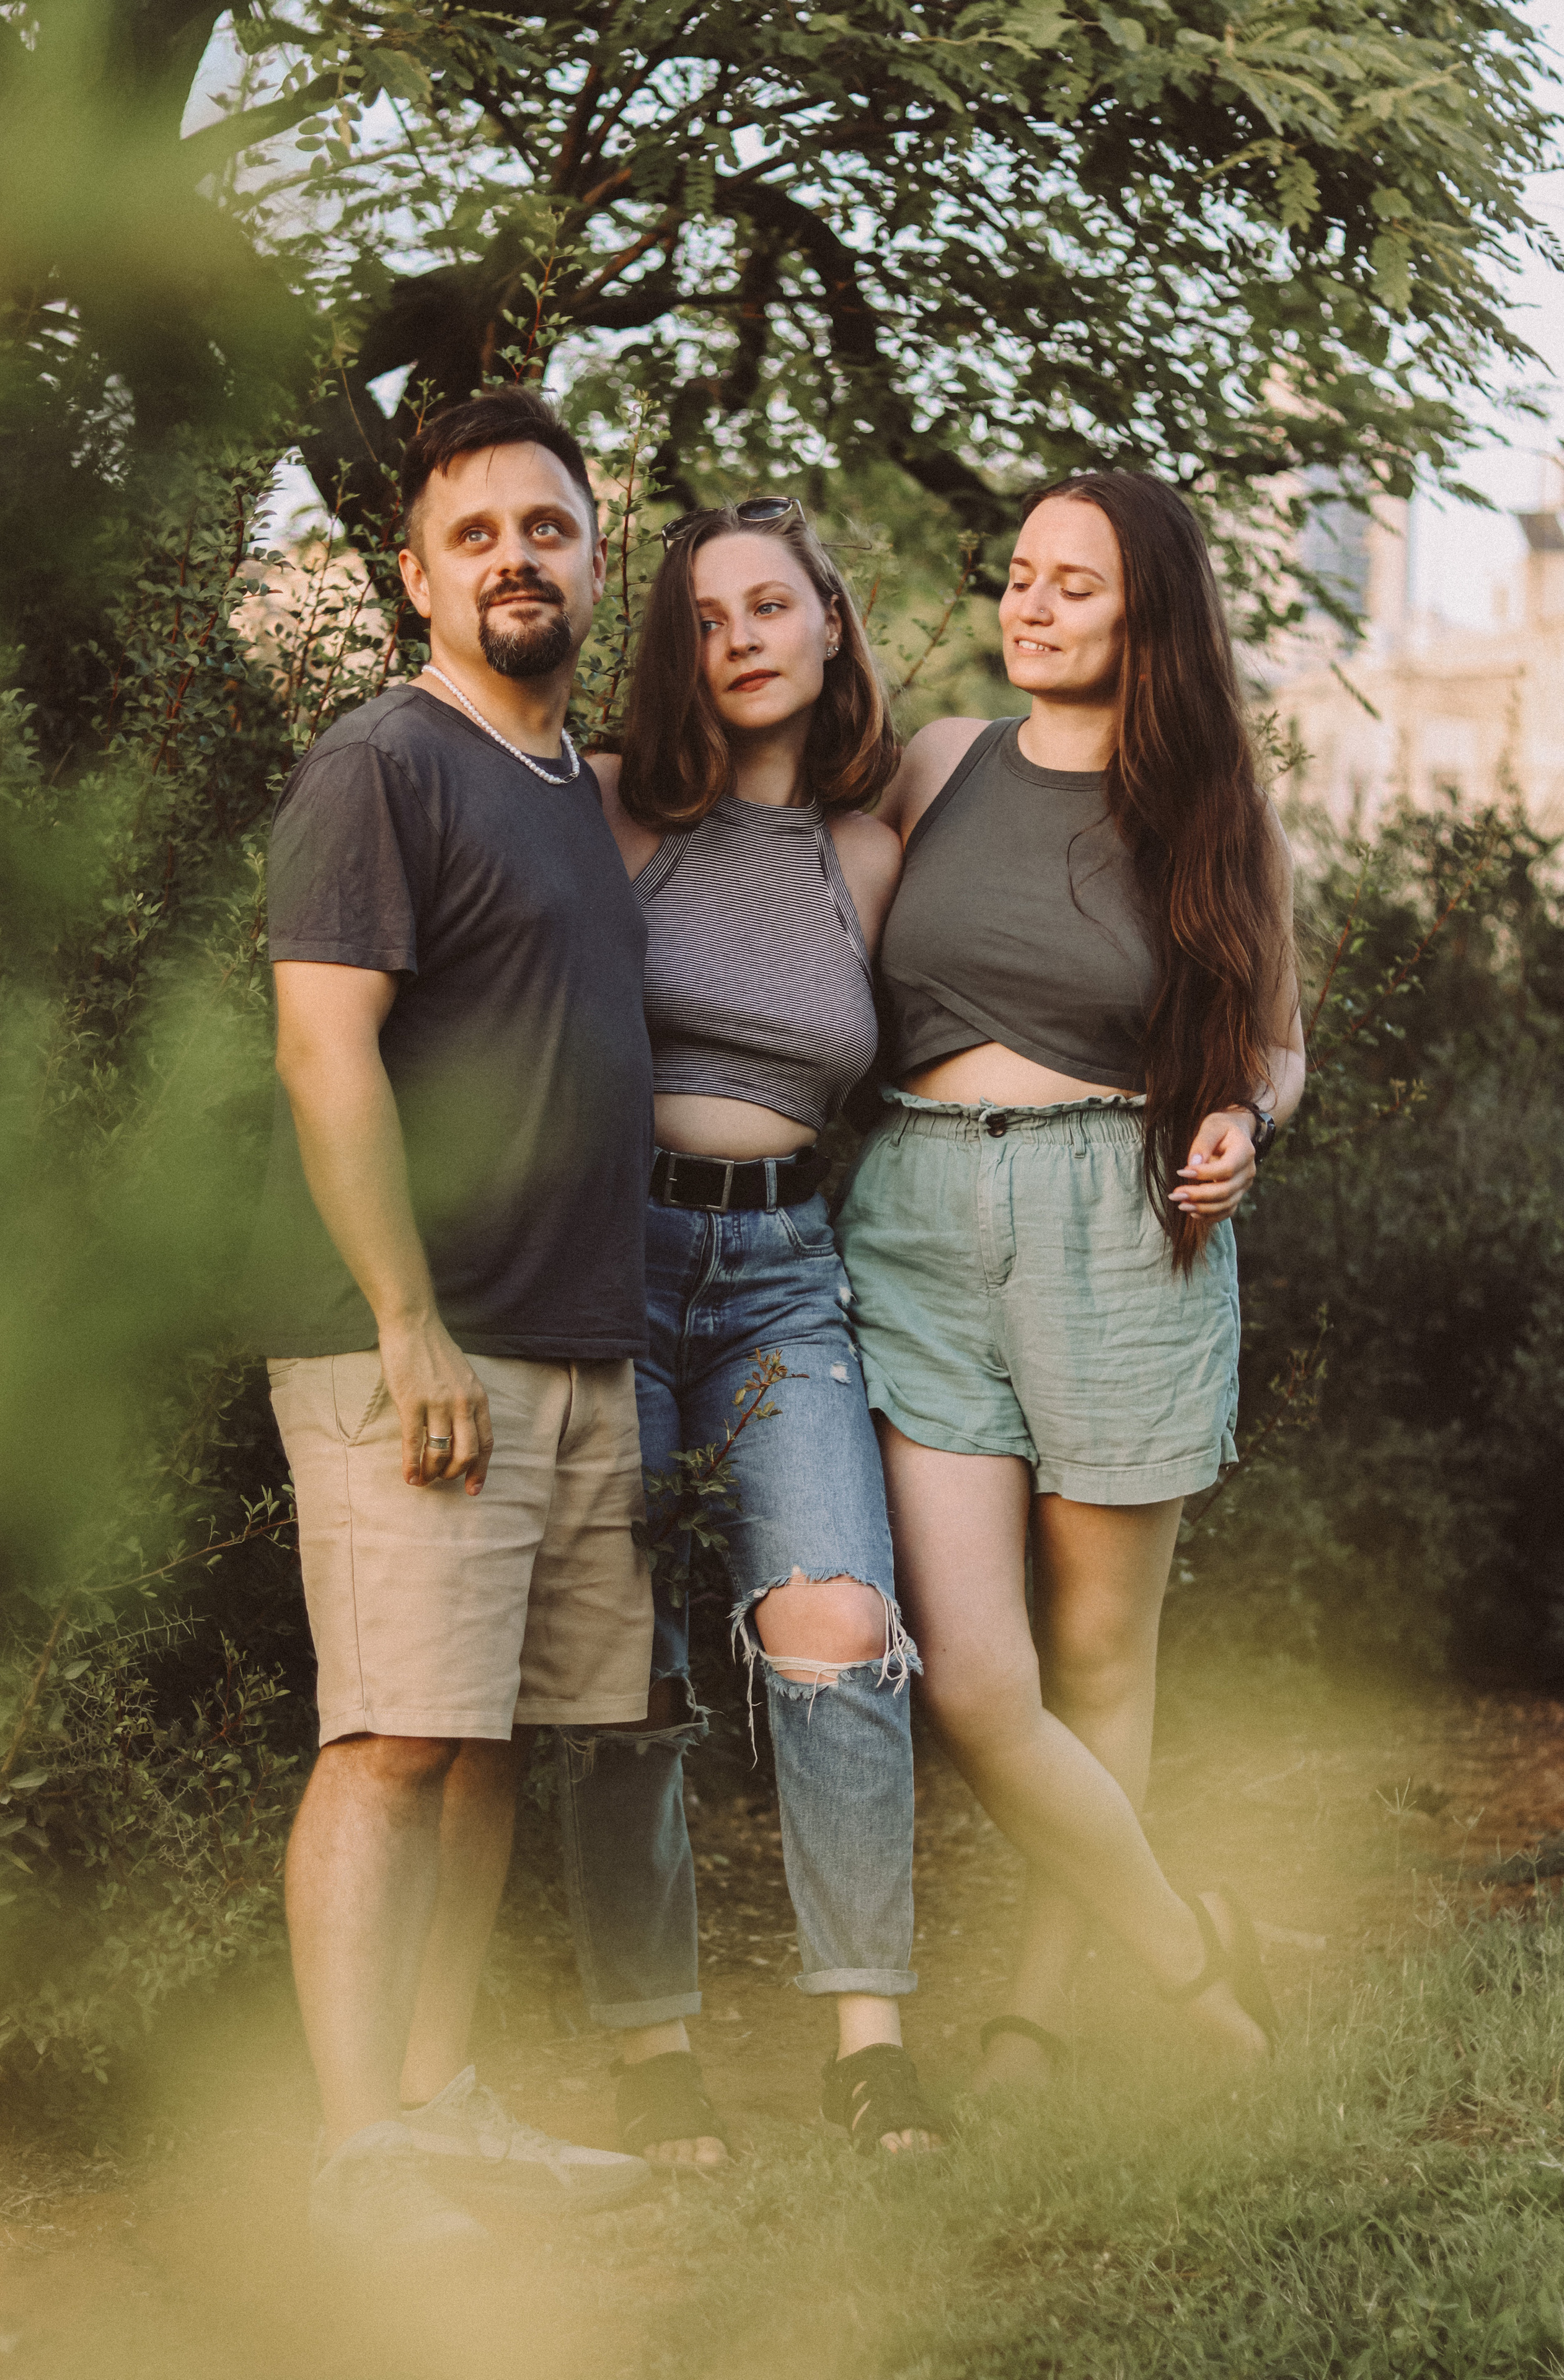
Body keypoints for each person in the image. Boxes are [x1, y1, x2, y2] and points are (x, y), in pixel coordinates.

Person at [836, 471, 1306, 2087]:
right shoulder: (941, 766)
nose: (1027, 606)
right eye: (1020, 578)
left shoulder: (1212, 809)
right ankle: (1186, 1958)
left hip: (1122, 1221)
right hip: (918, 1220)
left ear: (1146, 614)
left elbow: (1276, 1046)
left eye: (1072, 586)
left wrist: (1244, 1115)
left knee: (1100, 1661)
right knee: (974, 1675)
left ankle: (1035, 2017)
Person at [253, 389, 657, 2245]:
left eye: (548, 528)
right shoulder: (384, 764)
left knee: (490, 1737)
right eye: (478, 534)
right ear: (417, 577)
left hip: (568, 1338)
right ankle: (357, 2160)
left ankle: (444, 2101)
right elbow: (324, 1051)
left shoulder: (573, 788)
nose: (518, 558)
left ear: (597, 558)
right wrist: (403, 1322)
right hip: (419, 1341)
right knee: (392, 1738)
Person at [555, 498, 939, 2160]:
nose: (742, 640)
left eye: (772, 604)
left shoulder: (869, 852)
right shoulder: (625, 818)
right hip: (610, 1260)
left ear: (833, 623)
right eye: (707, 620)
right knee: (618, 1664)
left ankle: (870, 2049)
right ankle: (653, 2060)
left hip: (788, 1269)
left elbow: (983, 1009)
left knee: (840, 1623)